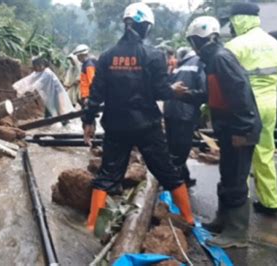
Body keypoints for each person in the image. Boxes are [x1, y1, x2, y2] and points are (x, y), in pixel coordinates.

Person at [82, 2, 194, 232]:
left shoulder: (106, 56)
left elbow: (96, 94)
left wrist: (88, 121)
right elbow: (161, 91)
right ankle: (189, 218)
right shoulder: (154, 55)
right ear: (146, 27)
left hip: (115, 125)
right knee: (168, 171)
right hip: (147, 125)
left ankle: (92, 224)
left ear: (125, 23)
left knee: (107, 174)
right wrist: (175, 91)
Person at [186, 16, 262, 248]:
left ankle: (237, 233)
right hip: (229, 128)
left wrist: (242, 129)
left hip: (240, 129)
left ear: (202, 39)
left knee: (236, 179)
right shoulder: (213, 61)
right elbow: (213, 95)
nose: (193, 46)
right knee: (228, 174)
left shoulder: (220, 59)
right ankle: (224, 220)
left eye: (193, 41)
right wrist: (187, 94)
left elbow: (240, 94)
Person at [224, 3, 277, 215]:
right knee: (265, 152)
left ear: (238, 19)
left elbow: (227, 82)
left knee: (241, 156)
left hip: (245, 107)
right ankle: (269, 202)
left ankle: (242, 201)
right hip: (269, 105)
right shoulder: (276, 45)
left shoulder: (235, 46)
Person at [164, 47, 207, 188]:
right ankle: (175, 186)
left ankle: (184, 178)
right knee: (181, 150)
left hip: (170, 111)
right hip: (185, 113)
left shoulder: (179, 67)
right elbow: (203, 91)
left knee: (174, 148)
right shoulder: (199, 63)